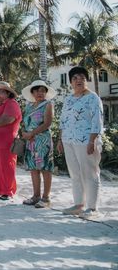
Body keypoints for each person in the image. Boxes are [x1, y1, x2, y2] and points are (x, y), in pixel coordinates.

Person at [58, 66, 104, 219]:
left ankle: (92, 208)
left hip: (86, 141)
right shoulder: (69, 99)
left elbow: (97, 121)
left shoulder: (93, 98)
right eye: (75, 78)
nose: (79, 80)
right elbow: (63, 121)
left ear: (86, 80)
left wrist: (92, 141)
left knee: (89, 173)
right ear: (71, 82)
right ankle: (79, 204)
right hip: (68, 140)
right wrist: (60, 139)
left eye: (82, 78)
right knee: (75, 173)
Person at [20, 80, 56, 208]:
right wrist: (24, 133)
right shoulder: (29, 105)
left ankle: (46, 198)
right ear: (32, 92)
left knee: (45, 168)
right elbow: (25, 122)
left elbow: (47, 123)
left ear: (46, 92)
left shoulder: (48, 104)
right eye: (37, 90)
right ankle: (36, 196)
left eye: (42, 90)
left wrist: (32, 133)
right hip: (30, 141)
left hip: (42, 140)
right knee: (33, 168)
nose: (40, 93)